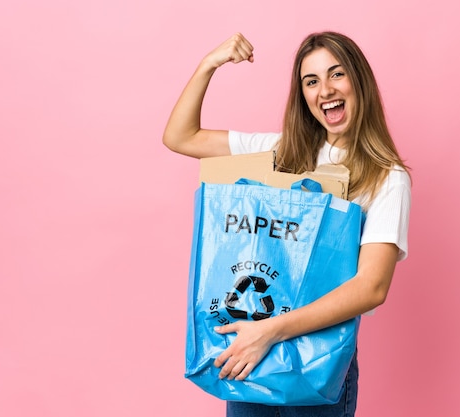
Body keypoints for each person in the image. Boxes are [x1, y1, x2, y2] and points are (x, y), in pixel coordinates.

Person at [163, 32, 411, 417]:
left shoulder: (386, 177)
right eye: (311, 81)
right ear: (303, 95)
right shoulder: (280, 152)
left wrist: (268, 331)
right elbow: (181, 136)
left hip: (315, 358)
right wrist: (209, 64)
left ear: (359, 81)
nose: (325, 90)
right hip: (249, 352)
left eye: (337, 74)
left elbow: (371, 287)